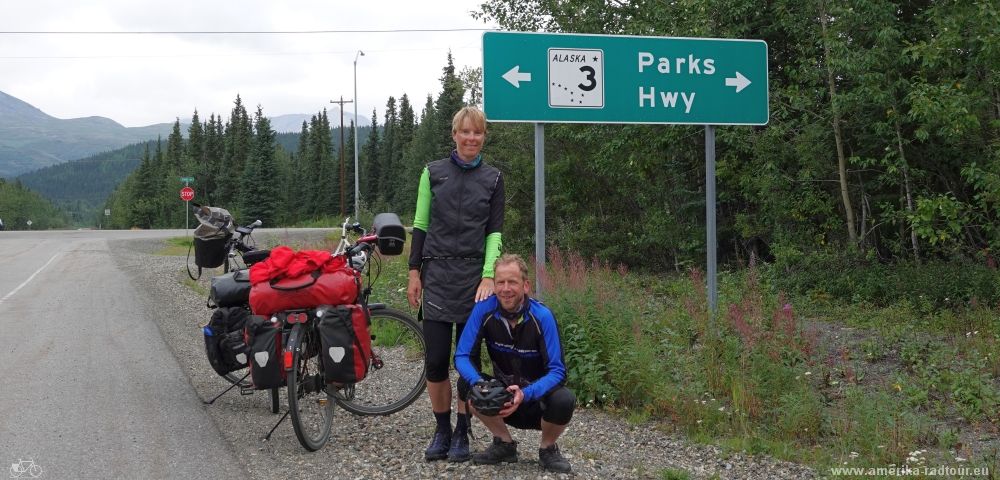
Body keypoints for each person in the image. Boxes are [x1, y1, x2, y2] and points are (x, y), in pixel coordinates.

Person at [407, 105, 505, 463]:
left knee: (468, 361)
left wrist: (489, 274)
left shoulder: (493, 179)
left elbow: (494, 231)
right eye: (465, 132)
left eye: (477, 133)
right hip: (436, 275)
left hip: (473, 280)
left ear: (483, 138)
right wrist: (414, 272)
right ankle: (442, 428)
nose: (471, 139)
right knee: (435, 361)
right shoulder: (432, 173)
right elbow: (420, 224)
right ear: (454, 135)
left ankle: (464, 429)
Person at [454, 254, 576, 474]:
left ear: (526, 285)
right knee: (466, 385)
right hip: (502, 399)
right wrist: (480, 383)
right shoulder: (484, 310)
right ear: (494, 284)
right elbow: (462, 356)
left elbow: (558, 371)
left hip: (536, 402)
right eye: (500, 282)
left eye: (512, 282)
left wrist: (525, 394)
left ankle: (547, 449)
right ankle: (504, 444)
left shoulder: (543, 316)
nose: (505, 289)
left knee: (565, 399)